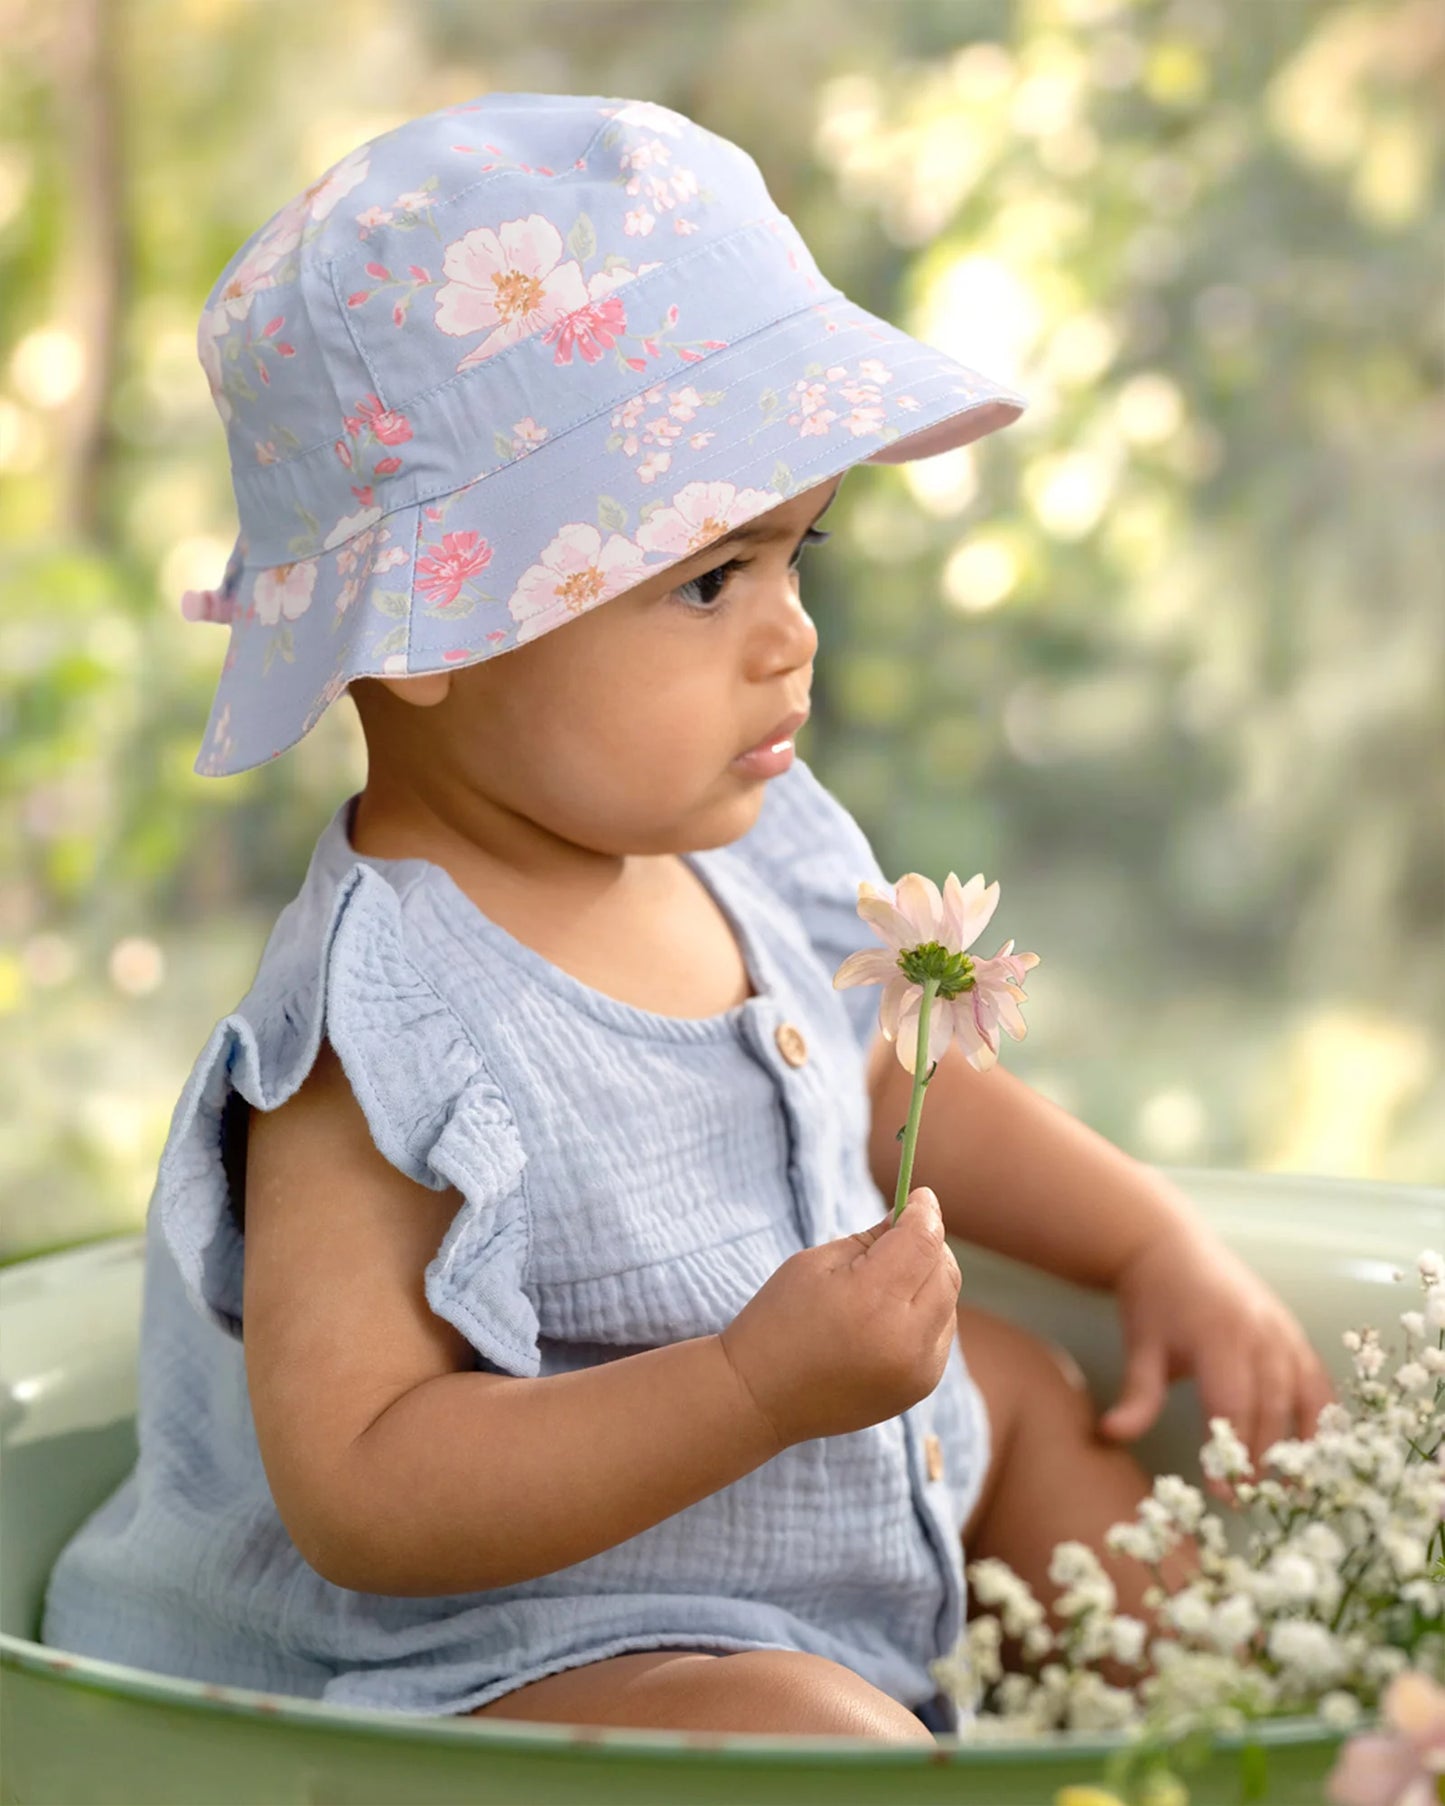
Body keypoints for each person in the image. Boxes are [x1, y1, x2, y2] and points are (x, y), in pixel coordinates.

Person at [40, 91, 1333, 1745]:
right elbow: (361, 1481)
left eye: (800, 551)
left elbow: (891, 1086)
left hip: (798, 1509)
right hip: (500, 1651)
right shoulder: (379, 1025)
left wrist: (1151, 1242)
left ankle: (1232, 1738)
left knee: (1025, 1401)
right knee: (795, 1731)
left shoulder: (753, 843)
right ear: (428, 614)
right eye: (706, 580)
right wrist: (748, 1388)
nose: (790, 635)